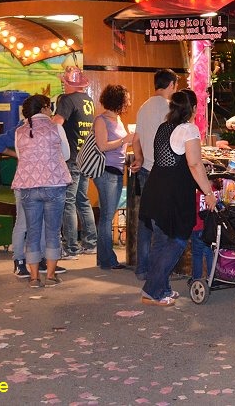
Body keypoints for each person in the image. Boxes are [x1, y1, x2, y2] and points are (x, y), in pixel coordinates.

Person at [140, 89, 218, 306]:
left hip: (155, 189)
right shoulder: (189, 129)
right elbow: (194, 164)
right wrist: (208, 193)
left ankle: (161, 288)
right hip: (174, 194)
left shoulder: (164, 127)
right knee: (178, 240)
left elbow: (175, 156)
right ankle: (152, 291)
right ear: (193, 108)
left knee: (160, 242)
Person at [0, 119, 66, 279]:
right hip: (26, 182)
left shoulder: (44, 126)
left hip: (38, 182)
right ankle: (19, 260)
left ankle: (42, 261)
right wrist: (17, 155)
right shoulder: (22, 127)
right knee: (23, 224)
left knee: (42, 224)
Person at [12, 94, 71, 288]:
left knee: (33, 232)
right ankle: (51, 276)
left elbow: (21, 156)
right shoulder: (56, 128)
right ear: (45, 108)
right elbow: (66, 154)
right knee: (53, 232)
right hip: (54, 184)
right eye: (50, 106)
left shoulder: (19, 131)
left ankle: (34, 278)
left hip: (28, 186)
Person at [130, 69, 178, 280]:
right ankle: (158, 271)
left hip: (146, 170)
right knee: (162, 223)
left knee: (145, 220)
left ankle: (142, 268)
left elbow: (136, 139)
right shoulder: (170, 108)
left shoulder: (144, 106)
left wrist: (139, 159)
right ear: (172, 85)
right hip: (163, 171)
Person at [52, 66, 97, 259]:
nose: (63, 85)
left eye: (65, 82)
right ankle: (90, 242)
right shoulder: (88, 101)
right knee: (82, 200)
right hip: (85, 157)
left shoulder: (67, 100)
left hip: (70, 158)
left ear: (71, 84)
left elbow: (57, 123)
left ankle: (71, 247)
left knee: (68, 202)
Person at [91, 84, 135, 270]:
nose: (129, 103)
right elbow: (102, 146)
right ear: (118, 100)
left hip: (116, 170)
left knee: (107, 215)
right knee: (107, 216)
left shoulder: (117, 119)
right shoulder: (101, 120)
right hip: (106, 171)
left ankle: (104, 258)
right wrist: (125, 140)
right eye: (126, 99)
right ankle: (108, 259)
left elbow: (118, 146)